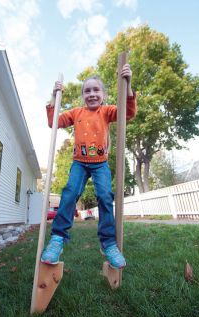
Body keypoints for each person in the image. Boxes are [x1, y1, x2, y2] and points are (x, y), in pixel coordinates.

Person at [41, 64, 137, 269]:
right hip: (79, 163)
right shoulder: (76, 113)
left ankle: (108, 243)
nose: (92, 94)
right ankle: (57, 239)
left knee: (104, 196)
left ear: (103, 94)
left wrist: (128, 85)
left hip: (100, 164)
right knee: (69, 193)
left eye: (96, 90)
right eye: (87, 90)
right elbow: (53, 122)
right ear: (83, 95)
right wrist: (54, 97)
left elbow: (128, 113)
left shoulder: (107, 111)